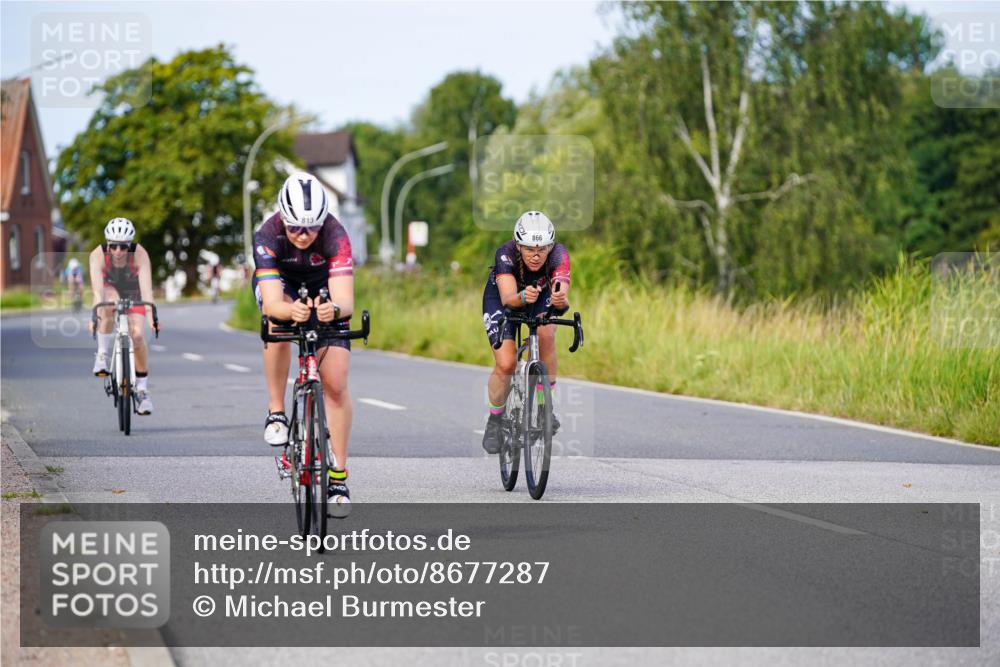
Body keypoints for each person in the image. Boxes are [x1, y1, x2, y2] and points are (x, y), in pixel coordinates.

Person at [253, 172, 355, 508]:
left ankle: (338, 476)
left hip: (321, 285)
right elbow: (271, 301)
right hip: (281, 286)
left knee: (336, 384)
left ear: (322, 221)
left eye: (311, 227)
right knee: (278, 324)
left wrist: (332, 310)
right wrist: (288, 310)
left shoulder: (336, 235)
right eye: (295, 226)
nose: (302, 235)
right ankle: (277, 412)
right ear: (283, 217)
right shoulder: (267, 235)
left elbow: (346, 302)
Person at [481, 211, 571, 454]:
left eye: (542, 249)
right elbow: (509, 298)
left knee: (546, 334)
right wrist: (521, 297)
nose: (536, 255)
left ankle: (545, 408)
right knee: (506, 363)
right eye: (529, 248)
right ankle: (495, 419)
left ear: (551, 246)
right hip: (504, 297)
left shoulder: (559, 255)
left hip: (539, 296)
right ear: (518, 244)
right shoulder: (505, 253)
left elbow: (561, 300)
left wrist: (560, 299)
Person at [88, 217, 157, 415]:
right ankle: (102, 354)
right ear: (107, 244)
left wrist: (152, 318)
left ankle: (143, 391)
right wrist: (95, 317)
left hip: (134, 290)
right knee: (108, 302)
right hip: (110, 289)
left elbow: (147, 291)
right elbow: (97, 294)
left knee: (136, 336)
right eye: (114, 246)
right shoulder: (97, 255)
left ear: (130, 245)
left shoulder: (140, 254)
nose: (118, 251)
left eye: (123, 247)